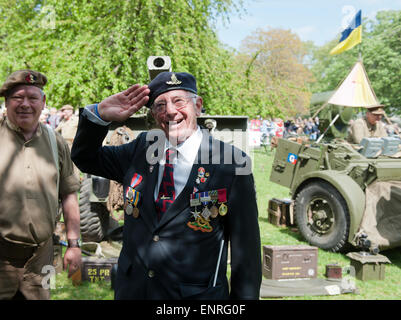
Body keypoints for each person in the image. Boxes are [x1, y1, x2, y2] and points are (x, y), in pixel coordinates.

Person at [71, 72, 262, 300]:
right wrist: (99, 114)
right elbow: (85, 157)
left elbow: (247, 253)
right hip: (135, 293)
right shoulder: (141, 148)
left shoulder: (230, 163)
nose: (170, 111)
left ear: (198, 106)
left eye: (179, 101)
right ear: (153, 114)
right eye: (160, 105)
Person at [0, 70, 81, 300]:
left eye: (32, 98)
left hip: (42, 257)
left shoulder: (56, 142)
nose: (25, 104)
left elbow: (69, 195)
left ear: (43, 102)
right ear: (6, 102)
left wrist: (74, 244)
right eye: (17, 98)